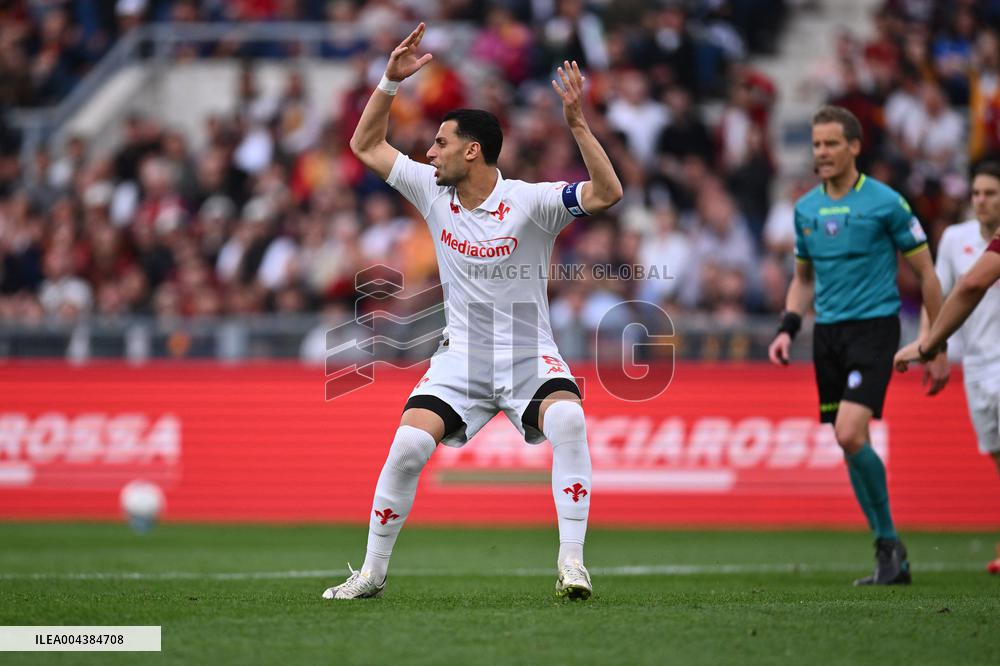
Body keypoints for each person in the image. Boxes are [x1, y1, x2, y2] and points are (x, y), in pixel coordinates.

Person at [322, 24, 622, 601]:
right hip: (460, 359)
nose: (428, 152)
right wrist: (388, 80)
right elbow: (364, 146)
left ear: (471, 150)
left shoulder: (532, 203)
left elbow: (607, 194)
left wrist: (579, 125)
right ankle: (371, 575)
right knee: (408, 446)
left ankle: (572, 565)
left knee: (568, 421)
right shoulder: (434, 190)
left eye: (439, 142)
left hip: (529, 356)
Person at [768, 105, 949, 586]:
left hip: (875, 328)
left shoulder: (886, 203)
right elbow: (802, 279)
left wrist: (936, 343)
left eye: (831, 143)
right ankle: (890, 555)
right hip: (828, 334)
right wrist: (788, 326)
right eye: (816, 144)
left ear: (854, 146)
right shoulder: (805, 209)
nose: (821, 153)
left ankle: (889, 541)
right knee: (849, 442)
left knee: (849, 433)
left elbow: (926, 274)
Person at [894, 163, 1000, 574]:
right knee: (995, 452)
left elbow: (971, 287)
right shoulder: (956, 238)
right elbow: (938, 293)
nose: (981, 200)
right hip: (975, 362)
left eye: (990, 193)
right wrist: (934, 348)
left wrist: (925, 346)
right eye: (976, 192)